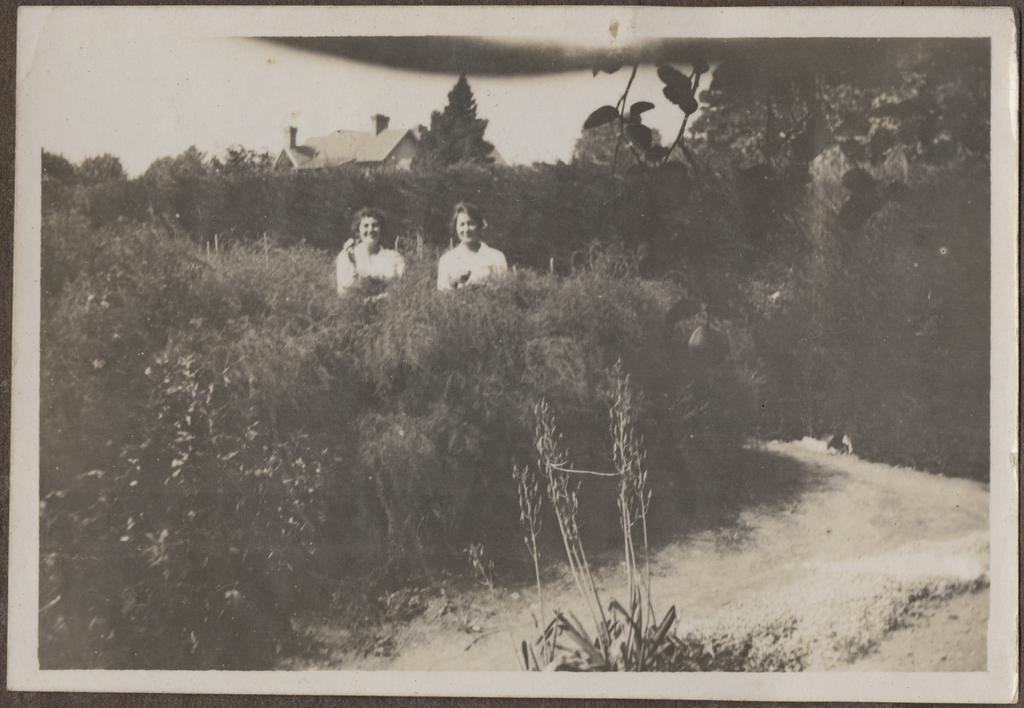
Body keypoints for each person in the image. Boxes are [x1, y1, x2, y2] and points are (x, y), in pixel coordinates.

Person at [437, 202, 508, 291]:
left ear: (479, 226)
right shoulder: (447, 260)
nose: (466, 229)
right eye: (462, 225)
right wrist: (454, 283)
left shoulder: (497, 257)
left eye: (471, 224)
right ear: (456, 228)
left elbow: (504, 293)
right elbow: (442, 297)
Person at [336, 207, 406, 296]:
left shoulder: (394, 258)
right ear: (358, 230)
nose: (370, 230)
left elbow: (399, 290)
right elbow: (344, 290)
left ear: (381, 229)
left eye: (375, 225)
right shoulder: (346, 256)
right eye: (365, 226)